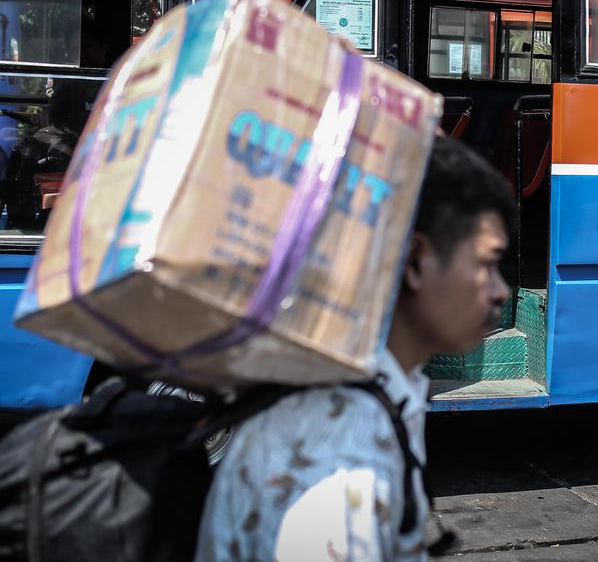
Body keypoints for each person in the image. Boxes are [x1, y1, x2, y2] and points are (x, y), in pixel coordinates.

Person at [195, 136, 514, 562]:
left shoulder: (375, 393)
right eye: (487, 263)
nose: (500, 290)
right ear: (415, 260)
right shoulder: (342, 460)